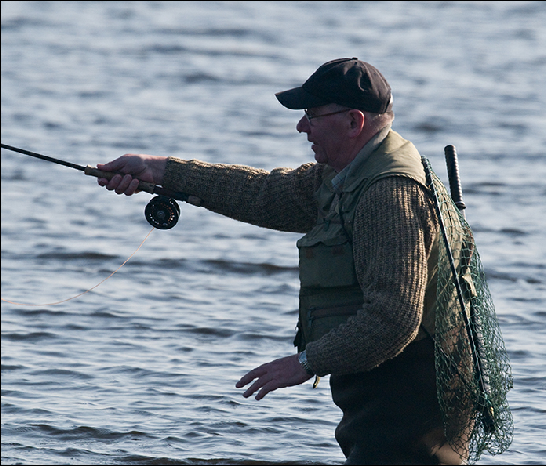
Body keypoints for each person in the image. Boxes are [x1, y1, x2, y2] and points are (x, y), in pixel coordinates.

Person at [96, 58, 466, 465]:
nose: (301, 127)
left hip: (414, 401)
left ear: (353, 121)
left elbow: (394, 317)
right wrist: (159, 169)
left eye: (312, 115)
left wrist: (306, 362)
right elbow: (265, 194)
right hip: (389, 391)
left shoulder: (388, 194)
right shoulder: (346, 173)